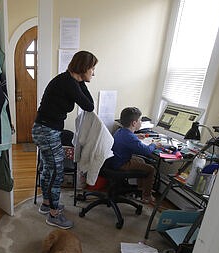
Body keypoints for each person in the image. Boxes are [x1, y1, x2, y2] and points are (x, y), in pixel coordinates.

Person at [32, 50, 98, 229]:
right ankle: (53, 215)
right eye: (92, 69)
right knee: (56, 171)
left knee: (48, 169)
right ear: (84, 68)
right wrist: (83, 81)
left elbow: (87, 104)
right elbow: (89, 105)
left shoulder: (67, 80)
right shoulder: (68, 83)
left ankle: (47, 204)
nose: (93, 72)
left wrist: (81, 80)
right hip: (47, 131)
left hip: (44, 129)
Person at [110, 107, 161, 204]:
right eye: (140, 120)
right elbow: (146, 151)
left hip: (114, 159)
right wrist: (154, 145)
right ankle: (147, 196)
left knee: (141, 161)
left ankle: (141, 189)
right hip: (121, 163)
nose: (141, 122)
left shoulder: (120, 131)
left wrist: (136, 136)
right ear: (134, 123)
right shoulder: (130, 137)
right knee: (150, 169)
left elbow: (127, 138)